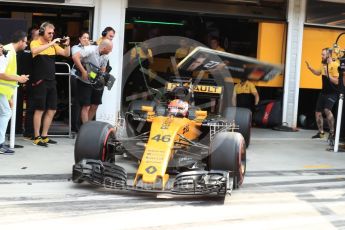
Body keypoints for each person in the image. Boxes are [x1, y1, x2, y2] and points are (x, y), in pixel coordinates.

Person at [30, 22, 70, 147]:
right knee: (39, 109)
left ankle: (44, 135)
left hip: (51, 80)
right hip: (40, 80)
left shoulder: (53, 45)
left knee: (52, 109)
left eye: (53, 33)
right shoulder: (35, 42)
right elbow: (34, 51)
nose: (52, 35)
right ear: (42, 32)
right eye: (49, 33)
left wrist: (68, 45)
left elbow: (66, 54)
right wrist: (51, 43)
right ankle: (36, 137)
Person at [0, 32, 29, 154]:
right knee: (6, 113)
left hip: (3, 91)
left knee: (6, 113)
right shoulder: (6, 52)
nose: (27, 44)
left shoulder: (8, 51)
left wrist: (18, 77)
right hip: (1, 90)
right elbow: (1, 74)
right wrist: (19, 79)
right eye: (26, 42)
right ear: (21, 41)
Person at [72, 39, 113, 124]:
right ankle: (85, 129)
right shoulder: (90, 49)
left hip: (95, 81)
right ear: (104, 48)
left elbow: (103, 69)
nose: (111, 51)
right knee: (86, 106)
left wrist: (104, 80)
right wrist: (83, 71)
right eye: (110, 49)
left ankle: (87, 126)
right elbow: (75, 57)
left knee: (95, 105)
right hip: (85, 81)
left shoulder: (106, 56)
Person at [306, 48, 339, 139]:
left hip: (333, 93)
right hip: (323, 92)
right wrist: (310, 68)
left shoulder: (335, 65)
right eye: (321, 54)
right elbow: (318, 73)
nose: (321, 56)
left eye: (323, 54)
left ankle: (332, 132)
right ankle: (321, 133)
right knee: (317, 112)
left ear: (329, 55)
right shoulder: (323, 64)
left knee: (327, 110)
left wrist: (328, 74)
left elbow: (336, 82)